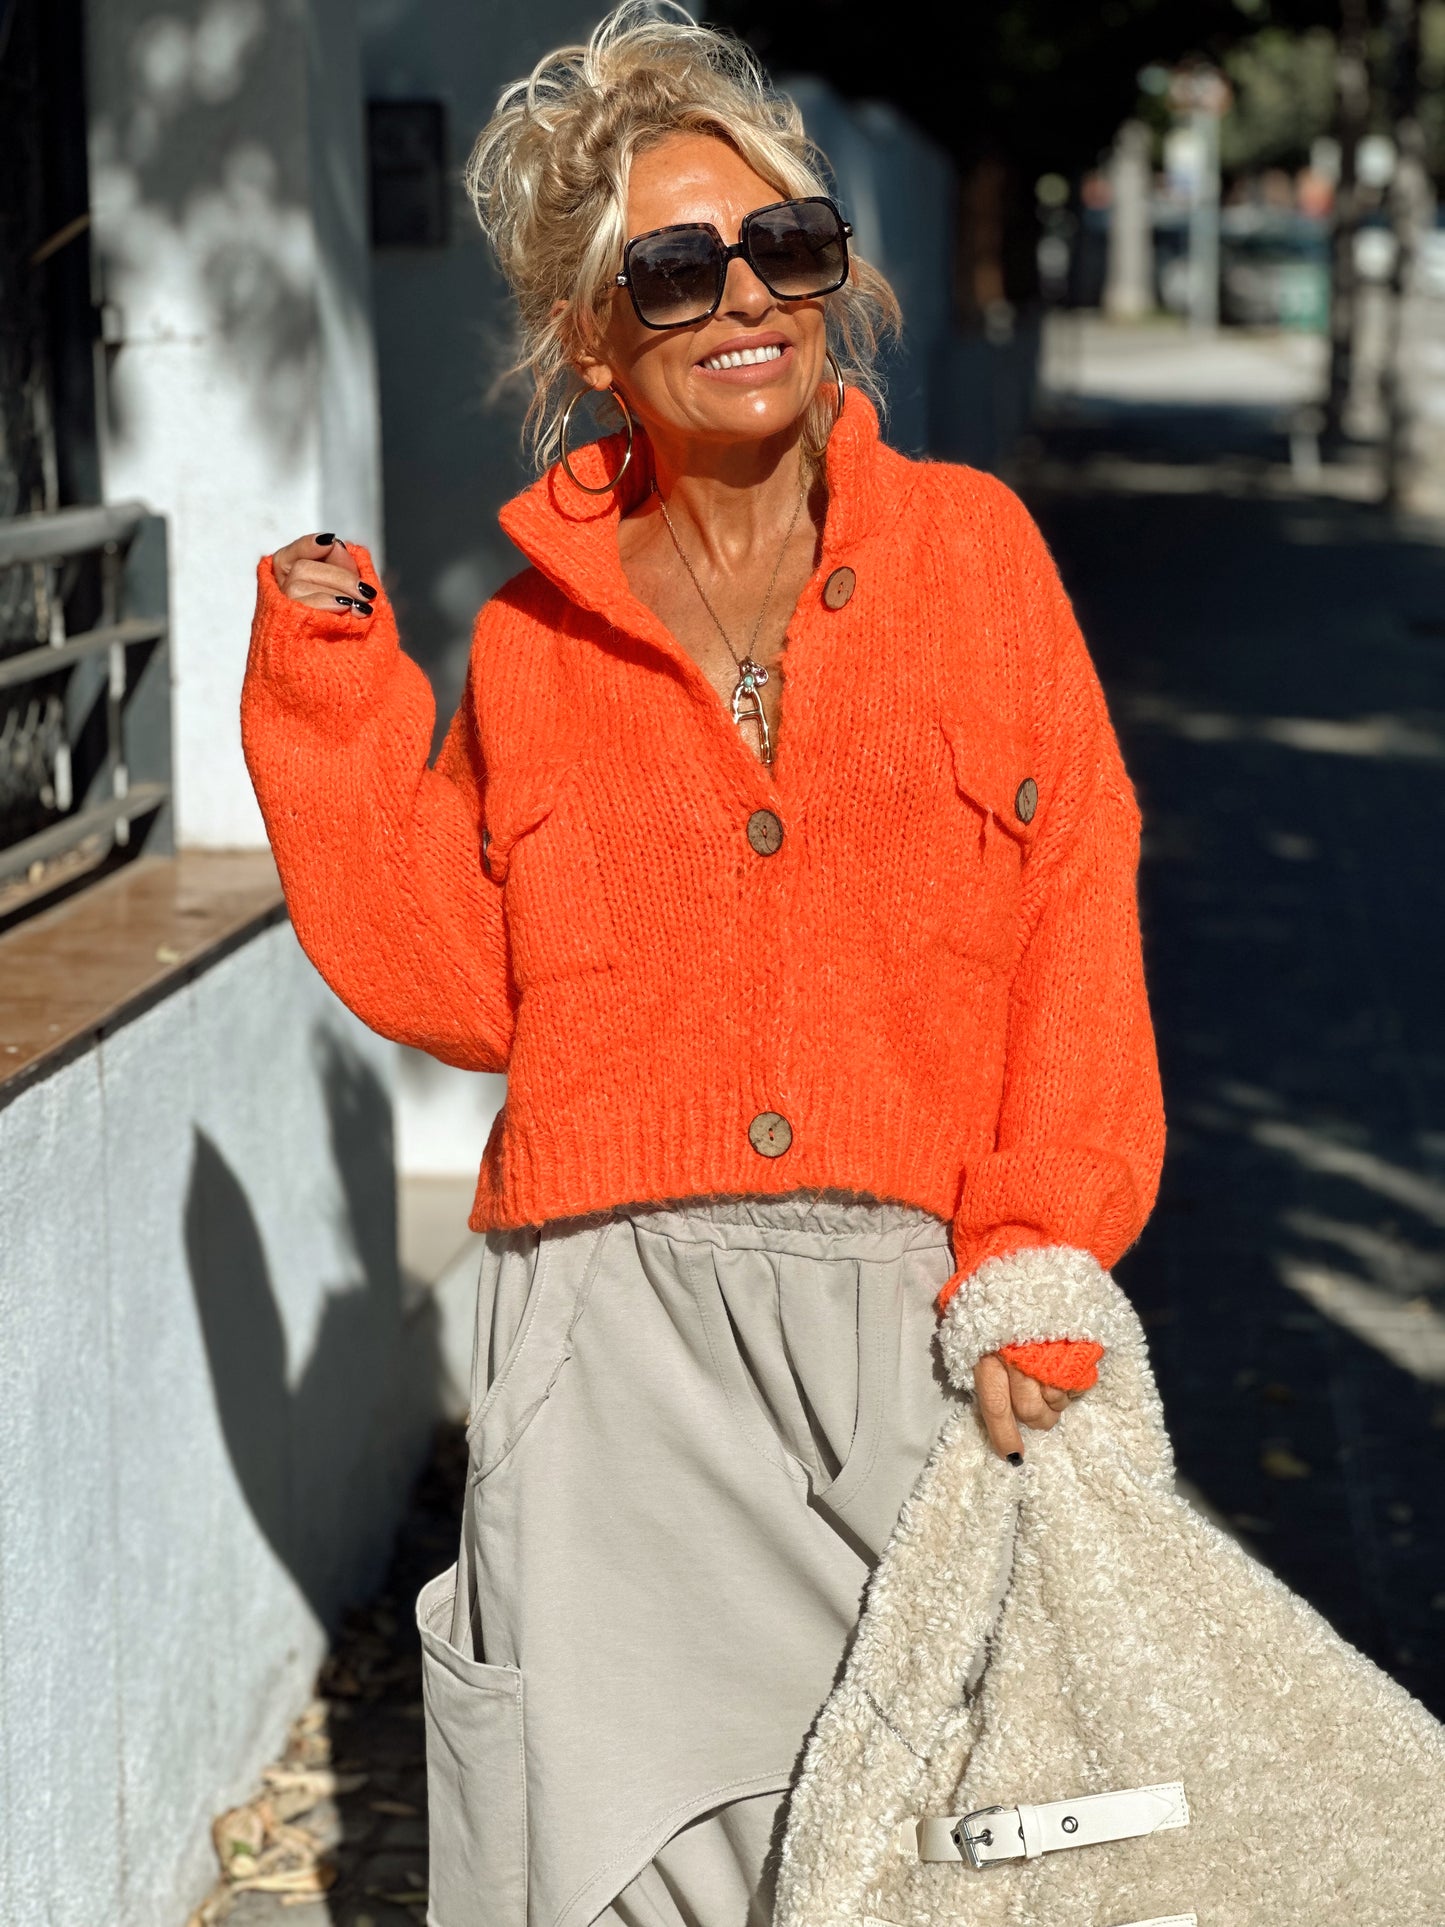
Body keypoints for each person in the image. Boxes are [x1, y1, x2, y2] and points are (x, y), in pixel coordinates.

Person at [240, 7, 1164, 1924]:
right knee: (625, 1869)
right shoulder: (532, 640)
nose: (744, 295)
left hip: (915, 1325)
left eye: (786, 248)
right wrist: (335, 715)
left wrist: (1043, 1246)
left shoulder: (976, 561)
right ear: (598, 339)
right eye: (675, 267)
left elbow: (1077, 898)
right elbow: (460, 979)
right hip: (615, 1351)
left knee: (949, 1858)